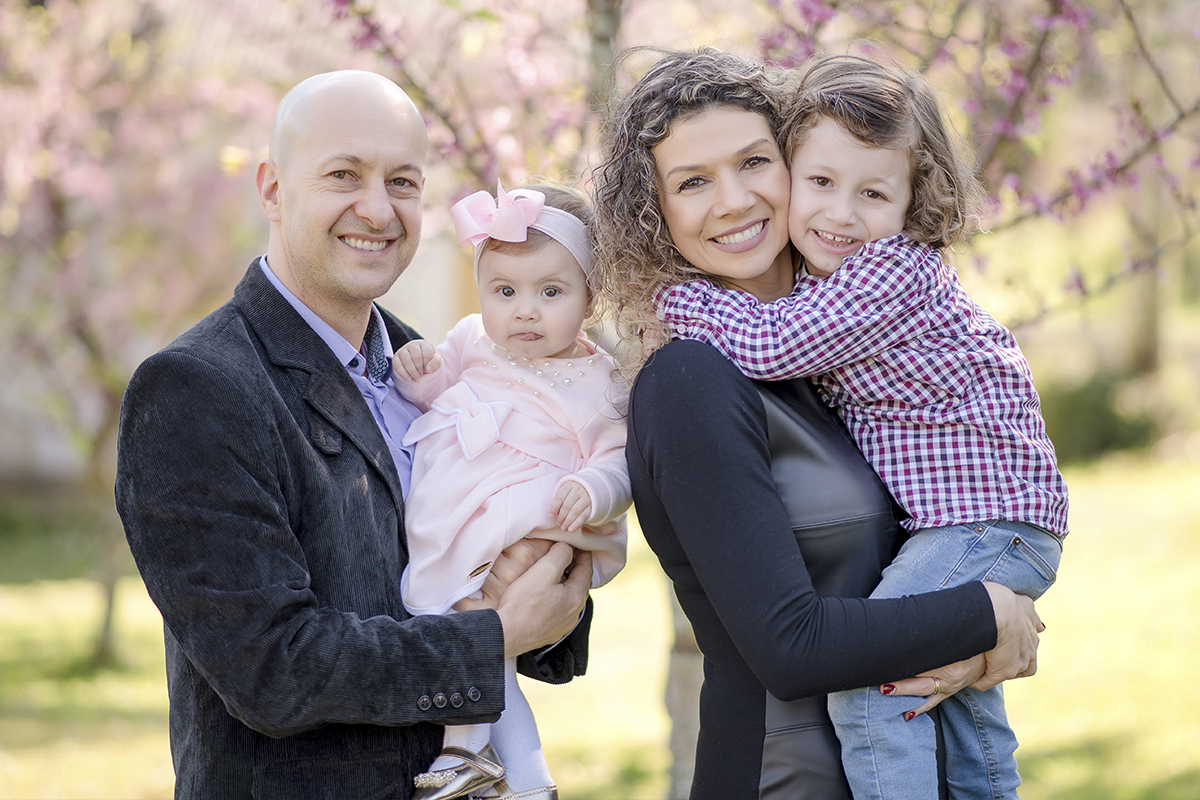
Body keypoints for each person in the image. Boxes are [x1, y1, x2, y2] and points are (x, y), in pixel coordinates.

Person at [114, 70, 593, 800]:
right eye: (344, 175)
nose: (378, 208)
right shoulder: (196, 390)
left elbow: (498, 552)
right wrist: (490, 638)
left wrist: (546, 585)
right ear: (272, 188)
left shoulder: (432, 365)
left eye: (403, 182)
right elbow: (272, 669)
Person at [591, 47, 1045, 800]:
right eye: (693, 182)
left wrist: (984, 638)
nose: (733, 200)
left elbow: (922, 560)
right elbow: (790, 647)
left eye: (754, 162)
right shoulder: (689, 380)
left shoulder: (844, 363)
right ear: (655, 211)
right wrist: (987, 614)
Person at [393, 182, 629, 800]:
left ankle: (465, 749)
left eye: (550, 292)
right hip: (458, 511)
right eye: (505, 291)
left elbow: (620, 461)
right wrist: (420, 370)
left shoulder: (599, 381)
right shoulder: (471, 338)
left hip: (528, 516)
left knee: (477, 627)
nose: (524, 310)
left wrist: (593, 486)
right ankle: (526, 783)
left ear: (589, 297)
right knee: (486, 641)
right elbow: (437, 390)